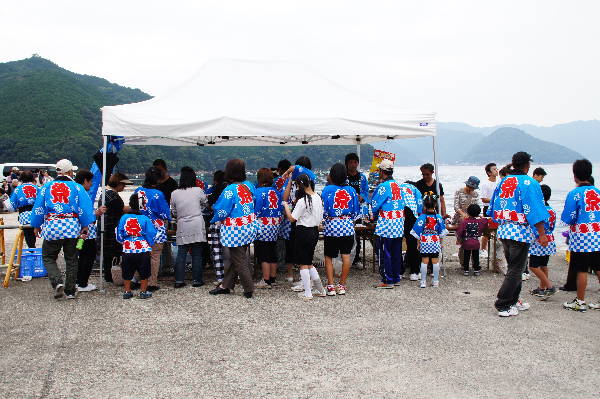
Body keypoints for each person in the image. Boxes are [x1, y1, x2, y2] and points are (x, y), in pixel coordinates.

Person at [487, 152, 549, 317]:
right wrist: (542, 234)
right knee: (516, 269)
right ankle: (503, 303)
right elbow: (535, 209)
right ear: (527, 165)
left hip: (504, 229)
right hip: (520, 232)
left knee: (517, 268)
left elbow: (492, 207)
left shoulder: (504, 181)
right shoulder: (529, 183)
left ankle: (514, 300)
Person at [30, 159, 95, 299]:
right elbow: (85, 207)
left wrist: (36, 225)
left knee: (48, 257)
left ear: (57, 172)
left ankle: (57, 282)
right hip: (72, 226)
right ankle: (70, 291)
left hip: (52, 226)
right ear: (70, 172)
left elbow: (38, 207)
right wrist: (85, 225)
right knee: (72, 259)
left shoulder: (47, 187)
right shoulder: (77, 187)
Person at [209, 159, 258, 298]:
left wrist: (214, 216)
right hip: (250, 225)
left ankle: (248, 288)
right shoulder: (249, 186)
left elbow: (222, 210)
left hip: (235, 230)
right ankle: (226, 285)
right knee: (238, 257)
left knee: (239, 259)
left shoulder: (229, 190)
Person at [561, 160, 600, 311]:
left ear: (575, 175)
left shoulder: (574, 194)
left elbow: (567, 218)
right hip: (598, 235)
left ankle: (580, 301)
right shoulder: (597, 192)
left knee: (582, 269)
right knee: (598, 267)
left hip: (581, 237)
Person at [282, 173, 325, 300]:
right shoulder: (318, 197)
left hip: (303, 232)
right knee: (309, 262)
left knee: (303, 264)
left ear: (300, 185)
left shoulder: (302, 201)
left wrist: (285, 205)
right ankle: (320, 290)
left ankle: (308, 293)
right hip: (314, 232)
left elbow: (291, 218)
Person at [321, 163, 360, 296]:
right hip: (347, 226)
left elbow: (324, 210)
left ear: (331, 175)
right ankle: (342, 285)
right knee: (346, 256)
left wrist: (327, 220)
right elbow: (356, 211)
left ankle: (330, 285)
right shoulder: (351, 190)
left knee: (328, 256)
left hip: (332, 226)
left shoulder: (327, 189)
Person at [133, 167, 171, 291]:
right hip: (156, 227)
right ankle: (151, 282)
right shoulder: (158, 194)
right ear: (158, 179)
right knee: (155, 256)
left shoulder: (138, 191)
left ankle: (137, 279)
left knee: (141, 253)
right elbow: (165, 213)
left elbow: (136, 208)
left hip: (141, 225)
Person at [370, 159, 407, 289]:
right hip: (399, 222)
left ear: (382, 171)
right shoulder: (398, 185)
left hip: (387, 223)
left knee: (385, 251)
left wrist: (371, 215)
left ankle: (387, 279)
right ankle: (396, 277)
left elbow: (374, 205)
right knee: (396, 251)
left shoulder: (383, 187)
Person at [170, 166, 208, 288]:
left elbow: (174, 212)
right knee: (197, 254)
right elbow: (205, 204)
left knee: (182, 253)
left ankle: (179, 280)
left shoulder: (174, 193)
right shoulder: (198, 190)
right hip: (196, 223)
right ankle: (197, 280)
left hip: (182, 224)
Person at [116, 196, 157, 299]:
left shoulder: (124, 217)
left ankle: (127, 291)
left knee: (127, 270)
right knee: (144, 271)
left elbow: (119, 232)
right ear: (142, 206)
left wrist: (123, 242)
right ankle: (143, 292)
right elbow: (151, 233)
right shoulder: (145, 218)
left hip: (128, 247)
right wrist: (150, 244)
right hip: (142, 247)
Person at [74, 170, 107, 292]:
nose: (91, 184)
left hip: (78, 233)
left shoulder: (74, 192)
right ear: (85, 181)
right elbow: (83, 215)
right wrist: (97, 213)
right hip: (85, 233)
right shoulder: (82, 194)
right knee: (87, 257)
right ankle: (82, 283)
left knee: (80, 256)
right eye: (91, 181)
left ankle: (78, 281)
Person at [98, 173, 132, 283]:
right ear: (118, 183)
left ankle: (109, 275)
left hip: (105, 226)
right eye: (123, 185)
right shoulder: (113, 195)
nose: (124, 187)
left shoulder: (105, 193)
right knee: (113, 253)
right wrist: (137, 208)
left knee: (107, 254)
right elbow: (122, 209)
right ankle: (112, 275)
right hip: (111, 227)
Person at [411, 195, 448, 288]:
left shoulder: (422, 217)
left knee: (424, 261)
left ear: (424, 205)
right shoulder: (438, 217)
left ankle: (423, 281)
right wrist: (440, 243)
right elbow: (442, 232)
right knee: (435, 261)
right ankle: (435, 281)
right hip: (435, 240)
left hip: (424, 240)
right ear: (435, 204)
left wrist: (418, 242)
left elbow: (417, 232)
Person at [253, 168, 282, 289]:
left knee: (264, 253)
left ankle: (266, 280)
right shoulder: (276, 191)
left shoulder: (259, 192)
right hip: (275, 225)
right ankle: (273, 278)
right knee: (272, 251)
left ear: (259, 178)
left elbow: (256, 210)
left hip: (263, 225)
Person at [528, 184, 558, 299]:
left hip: (539, 241)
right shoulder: (552, 210)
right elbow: (552, 226)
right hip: (550, 239)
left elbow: (535, 227)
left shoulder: (538, 210)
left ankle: (549, 286)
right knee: (543, 264)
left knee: (533, 266)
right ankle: (542, 288)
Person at [345, 153, 369, 268]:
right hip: (346, 211)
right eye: (351, 162)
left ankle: (356, 259)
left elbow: (366, 191)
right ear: (346, 164)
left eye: (355, 162)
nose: (353, 165)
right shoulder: (343, 177)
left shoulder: (362, 177)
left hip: (359, 210)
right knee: (346, 235)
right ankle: (346, 258)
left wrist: (362, 197)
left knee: (358, 234)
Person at [153, 159, 178, 271]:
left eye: (159, 169)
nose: (158, 172)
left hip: (166, 215)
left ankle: (167, 265)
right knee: (153, 241)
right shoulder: (154, 183)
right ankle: (155, 267)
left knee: (166, 242)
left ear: (165, 169)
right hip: (153, 215)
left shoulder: (172, 183)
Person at [4, 170, 39, 248]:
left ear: (21, 178)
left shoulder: (18, 189)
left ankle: (31, 249)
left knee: (28, 235)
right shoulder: (37, 188)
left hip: (24, 214)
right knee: (34, 233)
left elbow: (10, 206)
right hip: (36, 214)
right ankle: (33, 249)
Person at [206, 170, 229, 285]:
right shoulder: (230, 189)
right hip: (229, 224)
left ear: (215, 179)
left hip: (215, 223)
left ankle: (220, 278)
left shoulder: (215, 189)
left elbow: (209, 205)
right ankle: (232, 277)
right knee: (230, 251)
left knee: (217, 251)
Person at [273, 159, 294, 282]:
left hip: (282, 216)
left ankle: (281, 264)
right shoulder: (295, 180)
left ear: (280, 170)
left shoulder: (279, 182)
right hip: (293, 217)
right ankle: (289, 265)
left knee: (281, 242)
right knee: (289, 243)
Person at [399, 181, 423, 281]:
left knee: (397, 244)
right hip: (411, 215)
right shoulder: (415, 190)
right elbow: (419, 206)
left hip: (398, 214)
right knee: (412, 244)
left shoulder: (399, 187)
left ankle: (399, 272)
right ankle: (414, 272)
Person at [456, 204, 489, 276]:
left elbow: (459, 232)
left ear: (467, 212)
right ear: (478, 213)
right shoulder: (480, 222)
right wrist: (480, 217)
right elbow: (486, 220)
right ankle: (476, 269)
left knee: (466, 256)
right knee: (476, 256)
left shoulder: (464, 221)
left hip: (466, 242)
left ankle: (466, 270)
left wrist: (459, 239)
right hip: (476, 242)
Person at [480, 163, 498, 256]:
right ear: (489, 172)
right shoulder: (485, 184)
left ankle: (497, 250)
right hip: (488, 208)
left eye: (496, 169)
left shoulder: (499, 183)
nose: (496, 171)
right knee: (487, 230)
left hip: (498, 208)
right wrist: (495, 200)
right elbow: (483, 198)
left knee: (498, 229)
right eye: (494, 169)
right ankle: (483, 249)